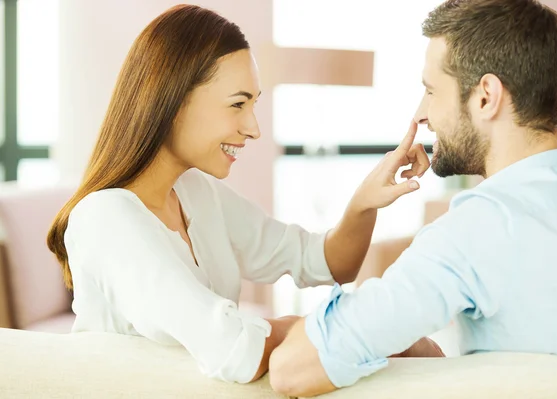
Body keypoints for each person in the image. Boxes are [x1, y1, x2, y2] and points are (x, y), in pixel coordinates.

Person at [46, 4, 430, 384]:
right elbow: (233, 349)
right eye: (237, 104)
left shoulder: (197, 193)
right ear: (174, 102)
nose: (253, 128)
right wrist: (355, 328)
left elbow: (325, 263)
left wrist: (364, 202)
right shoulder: (105, 217)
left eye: (254, 105)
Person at [268, 0, 557, 396]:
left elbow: (293, 369)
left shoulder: (478, 228)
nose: (422, 114)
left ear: (485, 97)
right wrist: (430, 356)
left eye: (431, 90)